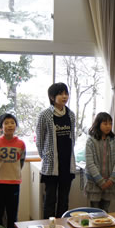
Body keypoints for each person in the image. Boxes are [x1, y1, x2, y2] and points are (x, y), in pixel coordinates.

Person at [36, 83, 76, 218]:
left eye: (66, 93)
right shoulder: (45, 115)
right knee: (50, 200)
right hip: (51, 165)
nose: (64, 96)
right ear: (52, 97)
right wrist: (46, 156)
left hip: (67, 164)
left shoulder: (71, 114)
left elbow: (73, 137)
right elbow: (40, 139)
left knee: (64, 200)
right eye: (61, 93)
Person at [84, 112, 115, 212]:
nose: (108, 126)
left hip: (110, 182)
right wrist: (100, 181)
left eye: (110, 123)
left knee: (105, 210)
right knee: (94, 211)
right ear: (98, 124)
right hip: (95, 183)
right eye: (105, 123)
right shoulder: (91, 141)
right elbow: (90, 163)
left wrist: (111, 179)